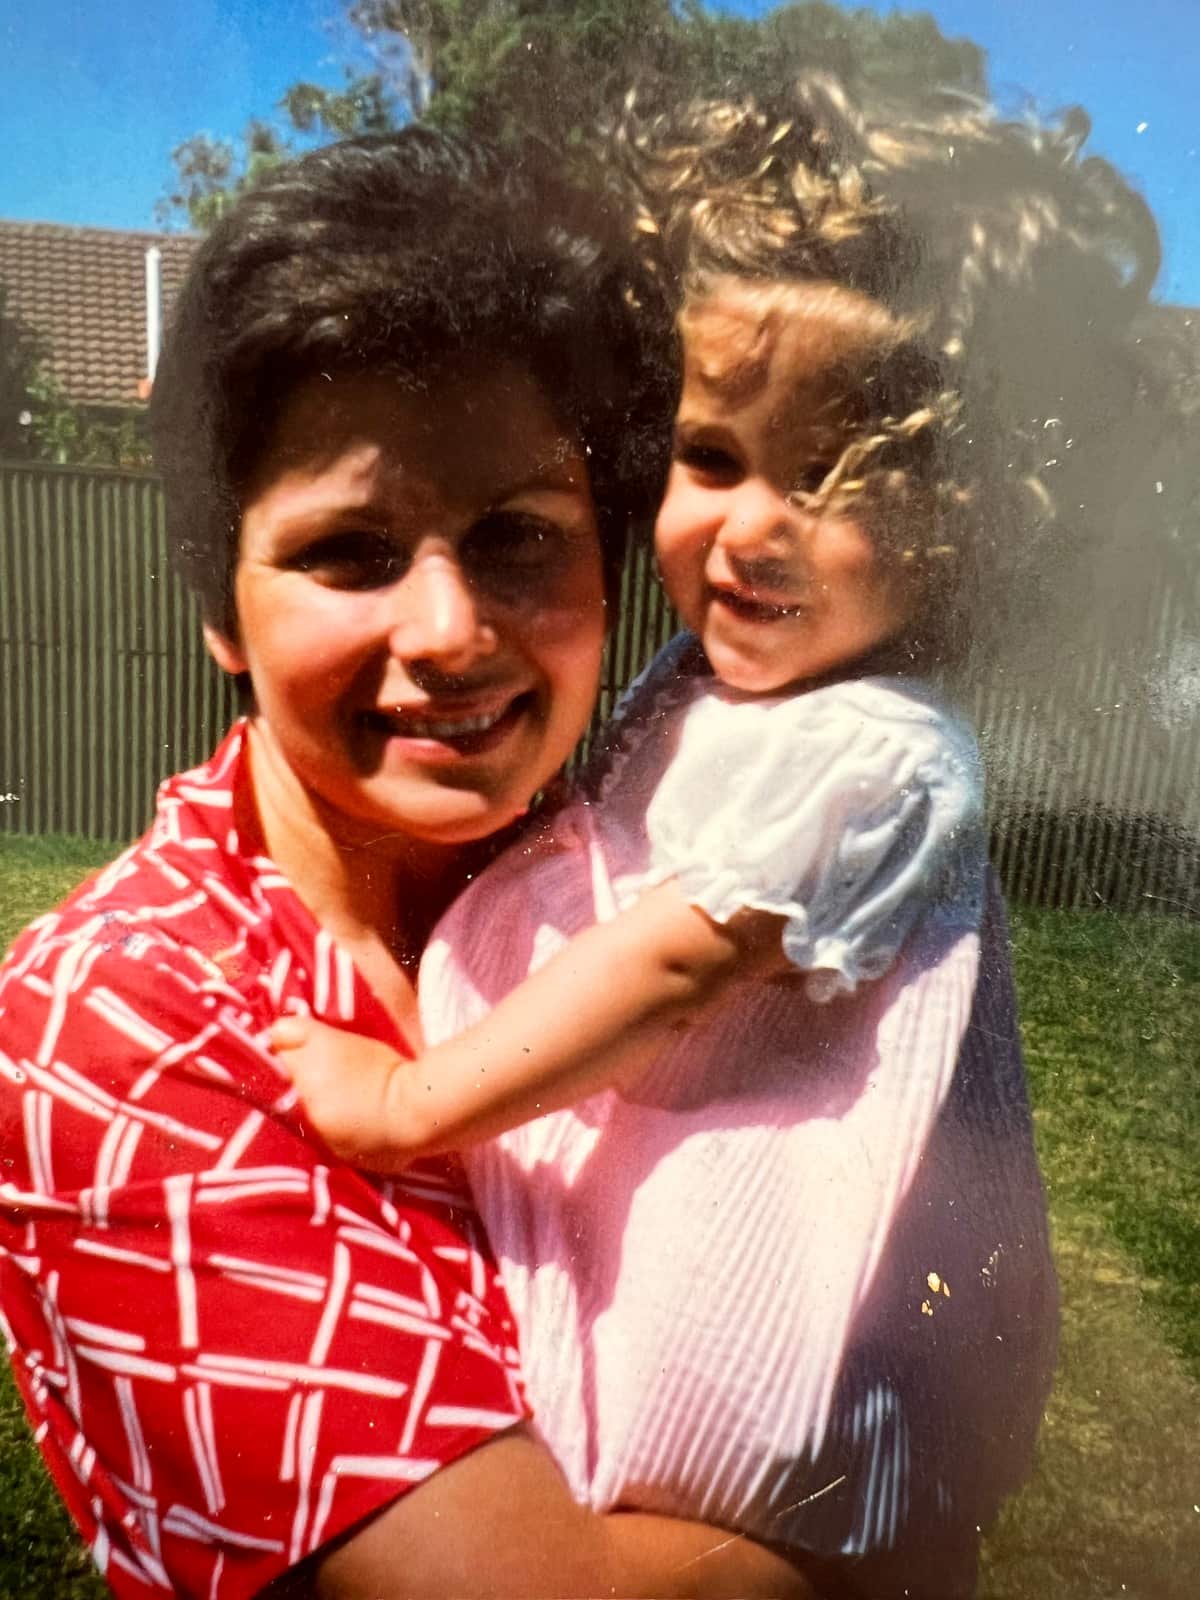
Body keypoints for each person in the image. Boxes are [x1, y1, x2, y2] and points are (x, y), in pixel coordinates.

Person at [276, 83, 1161, 1598]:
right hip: (635, 1201)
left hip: (749, 1306)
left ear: (979, 520)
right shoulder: (705, 684)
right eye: (716, 456)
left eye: (841, 477)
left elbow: (673, 964)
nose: (755, 527)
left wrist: (412, 1105)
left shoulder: (882, 753)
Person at [0, 129, 817, 1600]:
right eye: (352, 552)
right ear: (222, 609)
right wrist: (903, 1512)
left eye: (521, 537)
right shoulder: (112, 1025)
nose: (449, 629)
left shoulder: (655, 868)